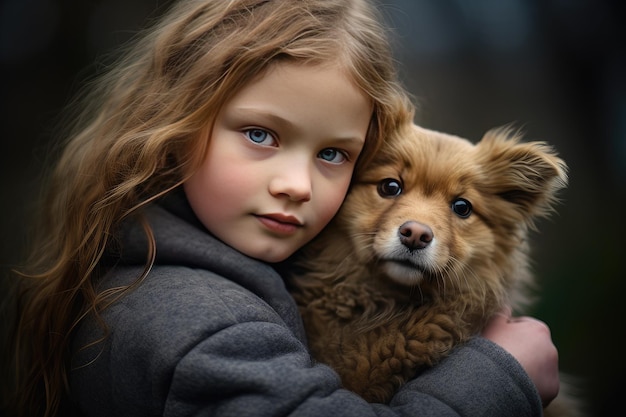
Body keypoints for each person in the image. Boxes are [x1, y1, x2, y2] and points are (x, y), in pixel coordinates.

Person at [4, 0, 559, 416]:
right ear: (174, 124)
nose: (297, 184)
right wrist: (499, 376)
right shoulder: (199, 322)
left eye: (333, 153)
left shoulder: (214, 269)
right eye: (260, 135)